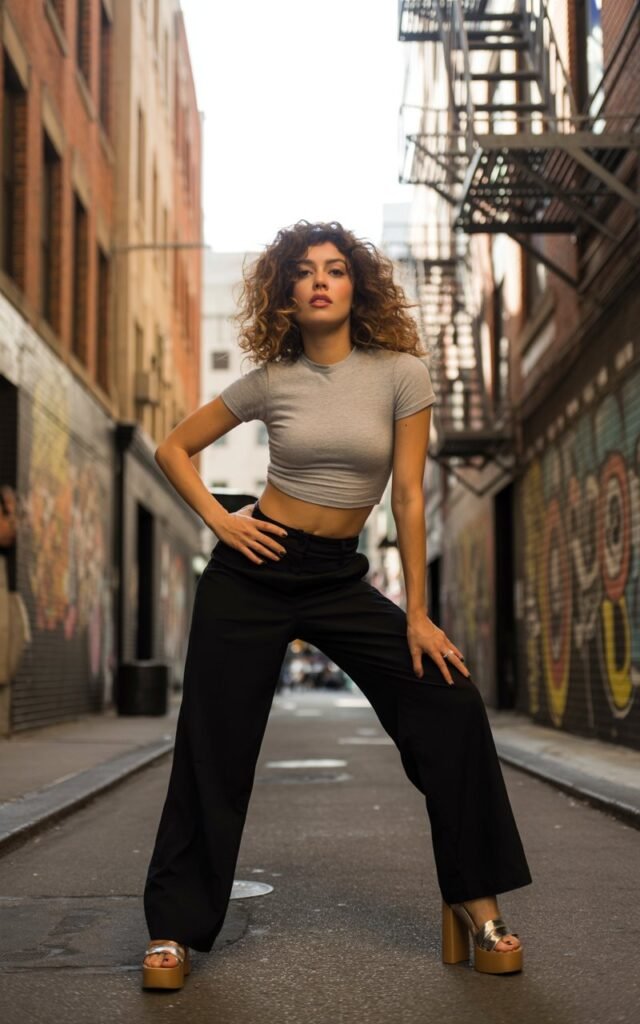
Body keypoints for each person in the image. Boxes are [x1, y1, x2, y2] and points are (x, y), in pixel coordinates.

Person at [141, 221, 532, 989]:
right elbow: (171, 448)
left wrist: (419, 613)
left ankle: (476, 904)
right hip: (251, 571)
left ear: (357, 287)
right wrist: (221, 520)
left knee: (449, 700)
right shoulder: (269, 380)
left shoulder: (401, 372)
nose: (321, 280)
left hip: (338, 576)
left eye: (336, 269)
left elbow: (412, 496)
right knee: (212, 745)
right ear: (286, 291)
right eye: (304, 271)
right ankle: (173, 932)